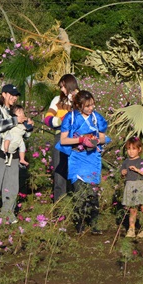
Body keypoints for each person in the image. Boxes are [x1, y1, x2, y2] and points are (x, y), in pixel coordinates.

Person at [57, 90, 108, 235]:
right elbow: (64, 140)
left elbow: (103, 137)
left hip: (92, 158)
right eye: (87, 106)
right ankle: (79, 224)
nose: (91, 108)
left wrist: (95, 140)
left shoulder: (96, 118)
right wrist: (80, 139)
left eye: (92, 104)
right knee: (79, 192)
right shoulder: (71, 117)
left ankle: (94, 223)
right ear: (79, 106)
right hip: (77, 158)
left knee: (93, 192)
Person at [0, 84, 33, 223]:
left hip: (14, 156)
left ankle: (7, 215)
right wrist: (16, 120)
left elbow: (23, 136)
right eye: (12, 94)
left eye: (16, 95)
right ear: (4, 94)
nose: (15, 97)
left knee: (11, 187)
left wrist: (28, 127)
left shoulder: (16, 111)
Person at [44, 74, 78, 202]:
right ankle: (59, 206)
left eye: (64, 87)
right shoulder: (57, 100)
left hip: (77, 138)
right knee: (59, 173)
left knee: (76, 173)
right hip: (61, 137)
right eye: (61, 87)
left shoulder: (81, 98)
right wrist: (60, 120)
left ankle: (76, 206)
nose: (62, 90)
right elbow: (47, 119)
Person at [121, 137, 143, 238]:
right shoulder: (126, 162)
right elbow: (122, 173)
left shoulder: (141, 161)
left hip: (140, 185)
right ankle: (131, 229)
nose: (131, 151)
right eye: (129, 149)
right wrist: (123, 172)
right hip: (130, 186)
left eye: (133, 148)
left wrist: (138, 170)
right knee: (132, 209)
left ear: (139, 149)